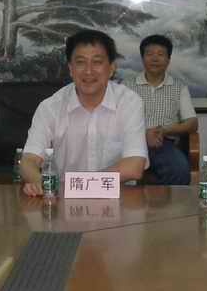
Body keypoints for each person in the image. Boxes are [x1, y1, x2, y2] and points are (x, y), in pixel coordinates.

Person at [19, 30, 146, 196]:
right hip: (65, 202)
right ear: (71, 69)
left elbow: (134, 167)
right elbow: (28, 160)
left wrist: (81, 186)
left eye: (97, 62)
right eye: (80, 62)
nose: (88, 71)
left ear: (111, 68)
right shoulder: (50, 107)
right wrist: (38, 181)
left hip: (119, 197)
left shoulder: (129, 102)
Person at [122, 35, 197, 185]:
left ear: (168, 60)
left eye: (160, 54)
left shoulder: (179, 87)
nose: (155, 58)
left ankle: (167, 202)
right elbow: (116, 121)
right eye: (149, 54)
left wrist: (163, 130)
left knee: (179, 170)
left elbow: (192, 123)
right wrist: (144, 134)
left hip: (163, 143)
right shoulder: (126, 86)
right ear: (142, 58)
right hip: (130, 142)